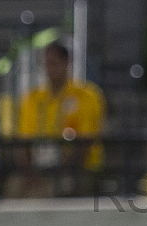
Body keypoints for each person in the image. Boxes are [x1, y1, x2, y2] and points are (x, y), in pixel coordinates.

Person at [7, 39, 106, 198]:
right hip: (39, 168)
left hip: (78, 169)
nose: (50, 68)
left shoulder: (86, 95)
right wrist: (29, 173)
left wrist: (62, 171)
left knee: (56, 188)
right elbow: (23, 141)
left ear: (67, 63)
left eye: (54, 63)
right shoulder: (33, 99)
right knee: (14, 187)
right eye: (46, 63)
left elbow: (85, 143)